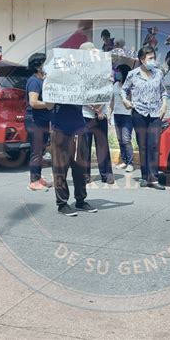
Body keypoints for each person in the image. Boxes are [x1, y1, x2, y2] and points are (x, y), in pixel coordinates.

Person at [48, 46, 98, 217]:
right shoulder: (58, 75)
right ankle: (62, 203)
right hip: (60, 128)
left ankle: (81, 200)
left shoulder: (83, 77)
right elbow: (48, 104)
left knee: (80, 166)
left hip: (78, 127)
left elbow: (94, 101)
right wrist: (51, 89)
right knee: (60, 167)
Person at [121, 46, 167, 190]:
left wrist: (164, 105)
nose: (153, 60)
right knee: (142, 145)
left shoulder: (158, 73)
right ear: (142, 60)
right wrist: (125, 101)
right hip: (139, 113)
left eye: (154, 57)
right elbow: (124, 90)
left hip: (155, 113)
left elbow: (163, 91)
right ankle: (144, 176)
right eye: (150, 58)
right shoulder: (133, 74)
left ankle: (154, 178)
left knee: (153, 145)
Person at [79, 44, 115, 185]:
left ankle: (106, 174)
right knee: (85, 146)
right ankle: (85, 175)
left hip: (101, 114)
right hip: (86, 113)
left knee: (102, 145)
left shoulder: (104, 68)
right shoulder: (79, 71)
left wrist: (100, 109)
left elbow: (108, 90)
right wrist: (95, 109)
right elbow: (80, 93)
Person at [24, 53, 53, 191]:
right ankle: (33, 181)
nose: (46, 66)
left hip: (43, 120)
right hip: (34, 120)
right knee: (36, 151)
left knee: (40, 150)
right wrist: (48, 105)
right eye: (44, 63)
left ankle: (38, 176)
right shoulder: (34, 81)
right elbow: (33, 102)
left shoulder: (44, 80)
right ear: (37, 66)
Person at [110, 64, 134, 173]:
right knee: (120, 139)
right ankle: (124, 161)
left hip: (127, 115)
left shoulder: (130, 85)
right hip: (117, 113)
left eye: (119, 71)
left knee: (126, 139)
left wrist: (126, 93)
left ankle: (130, 163)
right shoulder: (115, 85)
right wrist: (109, 113)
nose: (117, 73)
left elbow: (132, 100)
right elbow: (112, 101)